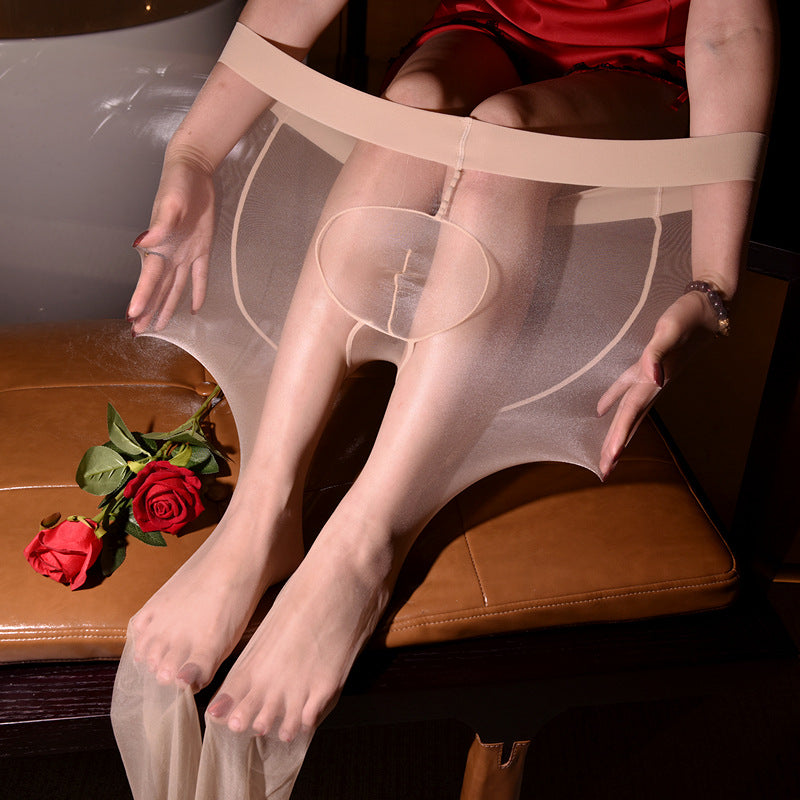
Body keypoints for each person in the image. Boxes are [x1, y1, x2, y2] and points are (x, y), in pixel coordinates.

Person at [124, 0, 776, 751]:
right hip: (487, 29)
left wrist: (713, 284)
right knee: (415, 103)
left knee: (506, 131)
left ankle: (364, 545)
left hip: (645, 69)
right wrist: (193, 155)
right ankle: (262, 512)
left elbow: (729, 30)